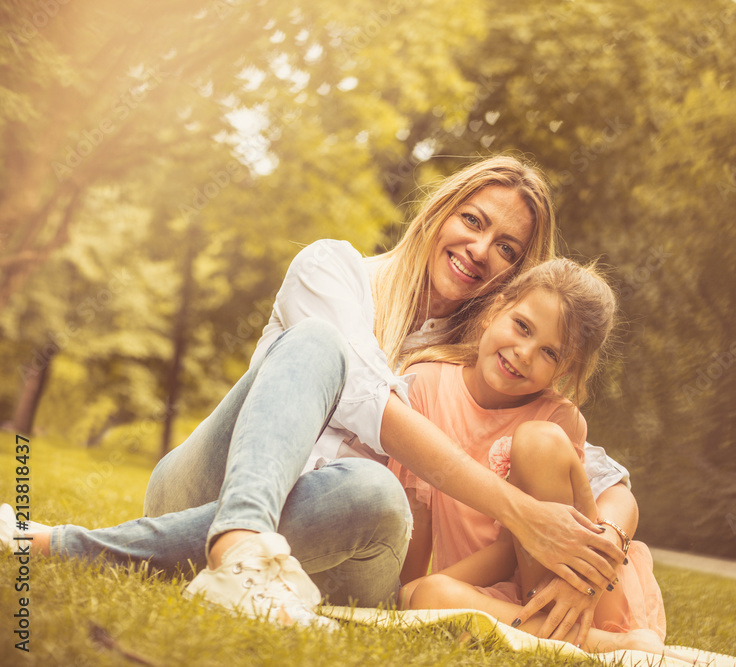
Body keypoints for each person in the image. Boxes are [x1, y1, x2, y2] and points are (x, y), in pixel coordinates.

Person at [0, 156, 624, 629]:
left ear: (516, 277)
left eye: (507, 248)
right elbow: (365, 401)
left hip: (351, 542)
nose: (480, 250)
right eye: (473, 220)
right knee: (319, 342)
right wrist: (520, 515)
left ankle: (65, 546)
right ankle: (241, 546)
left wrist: (600, 554)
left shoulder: (488, 361)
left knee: (377, 490)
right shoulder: (333, 269)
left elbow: (593, 471)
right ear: (440, 212)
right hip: (211, 490)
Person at [388, 258, 672, 656]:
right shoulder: (427, 385)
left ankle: (606, 639)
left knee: (537, 441)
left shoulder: (557, 419)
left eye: (550, 353)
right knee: (422, 595)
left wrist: (584, 571)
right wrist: (410, 589)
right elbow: (415, 510)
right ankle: (617, 648)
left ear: (566, 369)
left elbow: (542, 534)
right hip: (495, 593)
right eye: (522, 326)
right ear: (494, 309)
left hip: (571, 583)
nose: (523, 353)